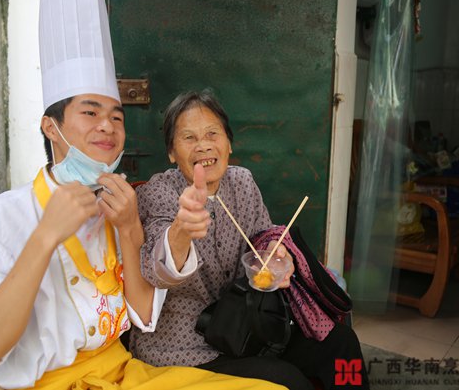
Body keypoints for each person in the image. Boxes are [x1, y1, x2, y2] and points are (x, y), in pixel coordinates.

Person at [0, 0, 283, 390]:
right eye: (90, 113)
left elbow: (143, 315)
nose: (107, 126)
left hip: (122, 373)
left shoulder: (121, 206)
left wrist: (129, 229)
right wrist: (45, 236)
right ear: (50, 127)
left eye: (116, 116)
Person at [131, 89, 370, 390]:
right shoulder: (158, 193)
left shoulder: (242, 181)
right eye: (189, 138)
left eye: (212, 133)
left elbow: (263, 238)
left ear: (228, 143)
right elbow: (156, 269)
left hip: (249, 325)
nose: (203, 145)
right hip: (187, 346)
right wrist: (182, 228)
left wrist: (275, 256)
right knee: (291, 383)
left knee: (342, 344)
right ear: (171, 152)